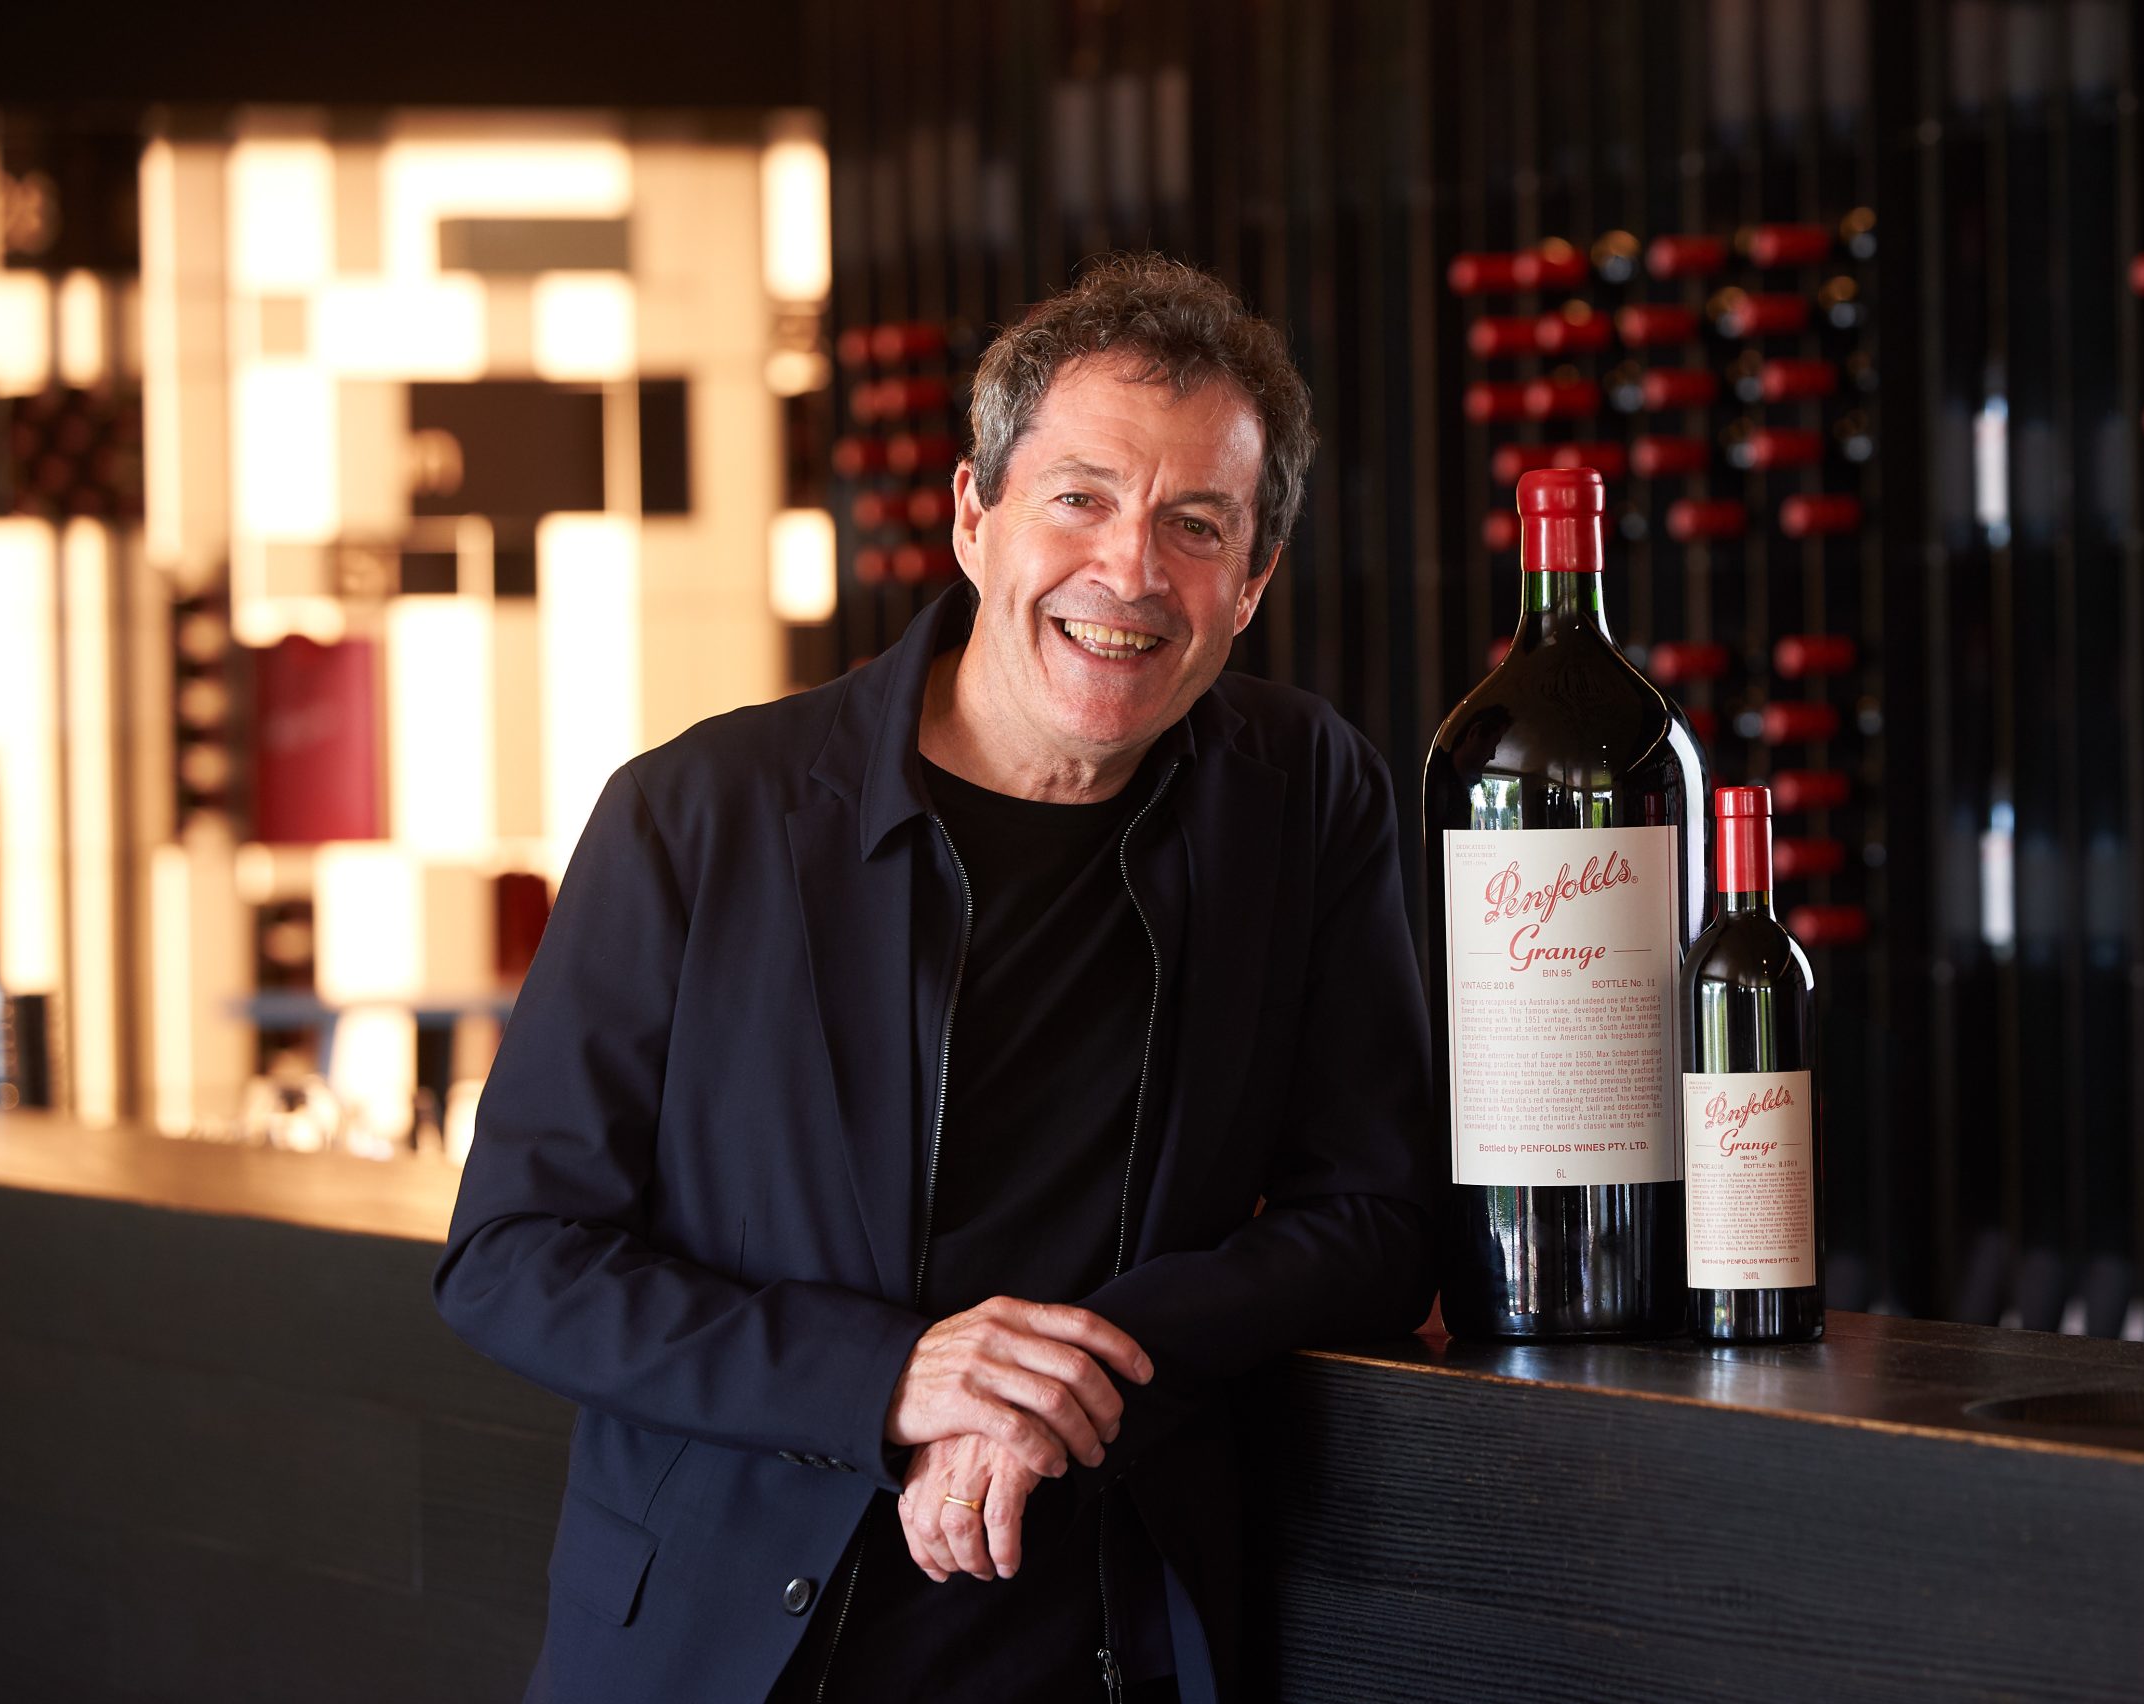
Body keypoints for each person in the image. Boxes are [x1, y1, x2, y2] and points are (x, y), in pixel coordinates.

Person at [431, 252, 1435, 1704]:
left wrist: (1070, 1372)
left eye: (1196, 525)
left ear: (1253, 582)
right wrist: (890, 1377)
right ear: (975, 516)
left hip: (1098, 1633)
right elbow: (516, 1258)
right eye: (1079, 497)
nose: (1130, 571)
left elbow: (1379, 1220)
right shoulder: (701, 813)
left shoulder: (1300, 795)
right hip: (722, 1650)